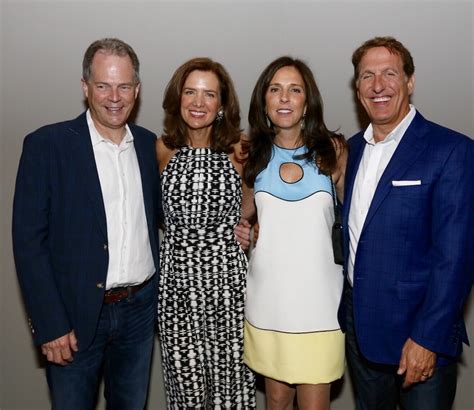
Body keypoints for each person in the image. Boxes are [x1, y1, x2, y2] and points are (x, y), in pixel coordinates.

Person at [12, 38, 161, 409]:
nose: (114, 96)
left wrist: (238, 226)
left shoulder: (149, 145)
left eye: (124, 86)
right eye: (103, 85)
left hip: (140, 310)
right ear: (85, 87)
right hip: (74, 318)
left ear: (137, 90)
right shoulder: (47, 145)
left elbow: (168, 214)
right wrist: (50, 323)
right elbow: (28, 242)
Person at [340, 36, 474, 410]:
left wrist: (428, 339)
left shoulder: (451, 150)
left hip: (417, 336)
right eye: (367, 76)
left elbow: (457, 258)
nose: (378, 85)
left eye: (389, 73)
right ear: (357, 88)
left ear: (410, 81)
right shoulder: (349, 151)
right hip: (360, 333)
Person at [242, 56, 347, 410]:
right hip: (269, 302)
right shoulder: (251, 156)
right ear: (265, 101)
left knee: (314, 403)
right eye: (275, 89)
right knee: (276, 398)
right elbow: (242, 223)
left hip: (320, 306)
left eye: (294, 89)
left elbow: (353, 219)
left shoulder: (333, 152)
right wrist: (247, 233)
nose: (284, 98)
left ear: (307, 101)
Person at [155, 57, 256, 409]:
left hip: (228, 288)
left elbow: (257, 206)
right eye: (190, 92)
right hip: (177, 290)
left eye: (209, 94)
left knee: (230, 391)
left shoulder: (240, 150)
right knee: (187, 393)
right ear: (177, 97)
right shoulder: (161, 149)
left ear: (222, 105)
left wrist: (250, 231)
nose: (198, 103)